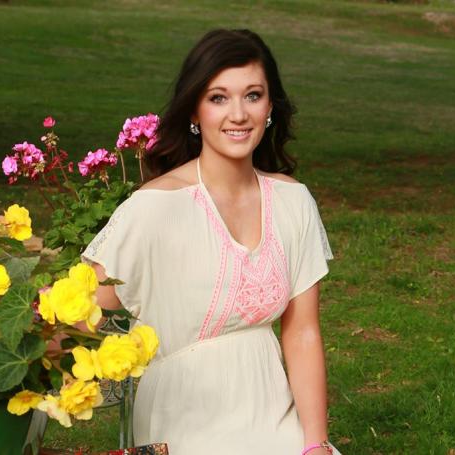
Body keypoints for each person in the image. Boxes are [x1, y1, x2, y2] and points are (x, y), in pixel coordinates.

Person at [82, 29, 340, 455]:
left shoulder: (293, 202)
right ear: (194, 111)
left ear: (270, 107)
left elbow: (303, 332)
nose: (238, 114)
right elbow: (79, 312)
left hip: (273, 415)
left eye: (253, 95)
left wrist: (315, 444)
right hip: (183, 419)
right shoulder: (155, 207)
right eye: (218, 98)